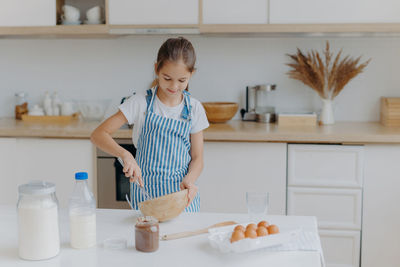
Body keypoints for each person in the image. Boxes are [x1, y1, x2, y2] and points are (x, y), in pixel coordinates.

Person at [91, 37, 209, 212]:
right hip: (147, 200)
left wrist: (190, 179)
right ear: (156, 69)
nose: (174, 86)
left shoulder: (194, 108)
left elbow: (197, 158)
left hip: (182, 201)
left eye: (182, 80)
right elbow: (98, 134)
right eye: (167, 78)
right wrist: (126, 155)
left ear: (191, 75)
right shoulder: (140, 103)